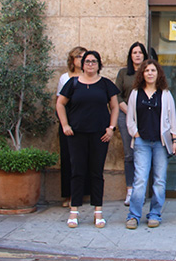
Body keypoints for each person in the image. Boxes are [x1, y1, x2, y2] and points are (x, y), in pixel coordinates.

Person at [56, 50, 120, 229]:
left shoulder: (106, 84)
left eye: (94, 61)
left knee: (96, 172)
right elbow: (60, 103)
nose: (90, 64)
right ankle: (74, 211)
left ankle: (98, 211)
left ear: (99, 64)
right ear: (82, 64)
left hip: (100, 134)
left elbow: (114, 107)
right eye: (87, 61)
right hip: (76, 134)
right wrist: (65, 125)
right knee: (77, 171)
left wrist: (111, 128)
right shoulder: (72, 83)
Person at [124, 59, 176, 229]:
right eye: (146, 70)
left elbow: (172, 119)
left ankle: (155, 213)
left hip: (161, 143)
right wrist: (136, 133)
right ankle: (134, 215)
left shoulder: (165, 94)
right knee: (140, 179)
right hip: (142, 142)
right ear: (142, 74)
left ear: (158, 73)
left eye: (153, 70)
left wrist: (175, 140)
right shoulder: (135, 93)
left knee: (159, 180)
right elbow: (130, 119)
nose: (149, 73)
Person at [116, 42, 147, 205]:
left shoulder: (148, 73)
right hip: (125, 115)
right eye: (134, 52)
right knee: (129, 154)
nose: (137, 55)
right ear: (130, 56)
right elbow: (117, 96)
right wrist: (129, 112)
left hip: (145, 117)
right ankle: (130, 190)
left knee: (145, 152)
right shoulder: (123, 73)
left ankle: (142, 189)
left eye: (140, 52)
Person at [57, 46, 86, 207]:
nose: (81, 60)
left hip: (84, 121)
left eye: (84, 56)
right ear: (72, 60)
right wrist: (64, 124)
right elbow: (59, 102)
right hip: (68, 122)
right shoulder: (64, 78)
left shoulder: (89, 77)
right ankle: (68, 195)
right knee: (68, 159)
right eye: (79, 57)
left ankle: (81, 194)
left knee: (83, 160)